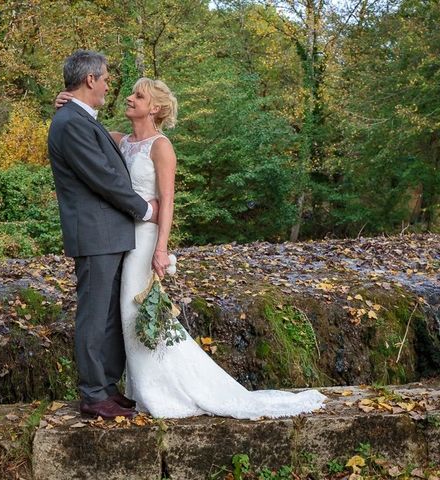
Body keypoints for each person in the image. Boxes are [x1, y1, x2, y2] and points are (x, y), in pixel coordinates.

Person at [55, 77, 327, 420]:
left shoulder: (161, 146)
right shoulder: (119, 141)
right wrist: (69, 101)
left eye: (138, 96)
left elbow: (168, 201)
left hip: (145, 239)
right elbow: (85, 131)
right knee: (124, 314)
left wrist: (162, 247)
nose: (129, 98)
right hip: (119, 236)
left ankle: (164, 388)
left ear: (154, 108)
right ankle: (132, 389)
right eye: (130, 93)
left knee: (136, 309)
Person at [48, 50, 159, 420]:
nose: (110, 85)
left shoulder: (81, 118)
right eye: (107, 78)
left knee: (110, 314)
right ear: (90, 80)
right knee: (94, 315)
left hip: (110, 235)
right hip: (95, 234)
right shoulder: (71, 122)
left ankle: (107, 387)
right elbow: (102, 177)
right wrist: (144, 209)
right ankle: (94, 394)